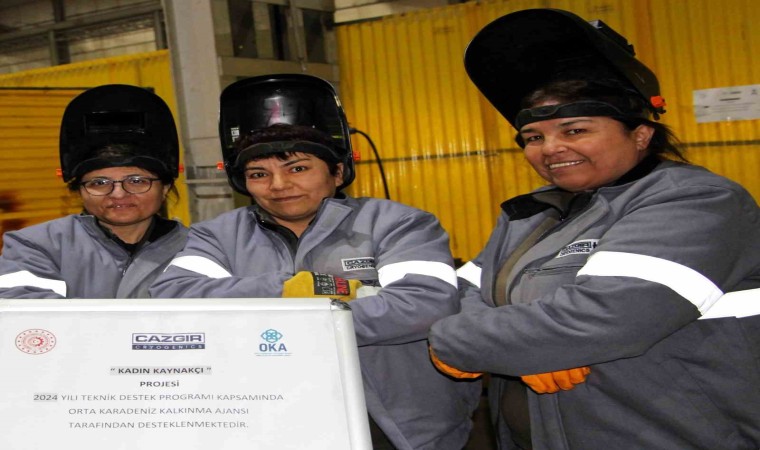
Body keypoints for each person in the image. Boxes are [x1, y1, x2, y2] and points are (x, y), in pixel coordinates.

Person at [428, 8, 760, 450]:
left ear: (640, 134)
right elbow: (461, 294)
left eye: (575, 130)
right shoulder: (532, 215)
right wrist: (525, 345)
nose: (551, 149)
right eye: (534, 137)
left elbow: (606, 317)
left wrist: (458, 341)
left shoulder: (697, 201)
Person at [150, 74, 481, 450]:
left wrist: (271, 319)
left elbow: (424, 304)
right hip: (267, 418)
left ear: (337, 172)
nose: (278, 185)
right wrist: (289, 290)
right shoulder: (218, 235)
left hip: (393, 422)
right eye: (259, 174)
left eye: (297, 168)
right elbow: (172, 297)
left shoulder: (398, 224)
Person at [0, 84, 188, 298]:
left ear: (165, 187)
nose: (118, 194)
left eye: (136, 181)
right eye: (99, 183)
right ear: (79, 190)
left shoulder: (199, 249)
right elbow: (24, 310)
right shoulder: (37, 245)